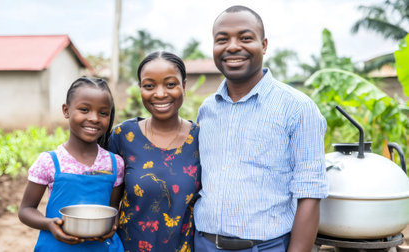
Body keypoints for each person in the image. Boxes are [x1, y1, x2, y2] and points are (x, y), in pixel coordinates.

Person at [194, 5, 328, 252]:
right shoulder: (207, 109)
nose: (232, 46)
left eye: (245, 38)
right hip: (204, 244)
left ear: (264, 45)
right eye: (222, 39)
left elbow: (310, 193)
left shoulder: (298, 108)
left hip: (267, 247)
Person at [18, 76, 124, 251]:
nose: (94, 118)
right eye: (84, 109)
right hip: (56, 245)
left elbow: (112, 208)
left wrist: (112, 225)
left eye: (103, 113)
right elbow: (26, 210)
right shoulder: (49, 162)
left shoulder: (115, 164)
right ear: (66, 111)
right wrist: (48, 224)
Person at [108, 51, 201, 252]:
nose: (159, 94)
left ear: (183, 86)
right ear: (140, 88)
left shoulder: (200, 138)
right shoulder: (123, 136)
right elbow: (108, 204)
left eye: (170, 84)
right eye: (149, 85)